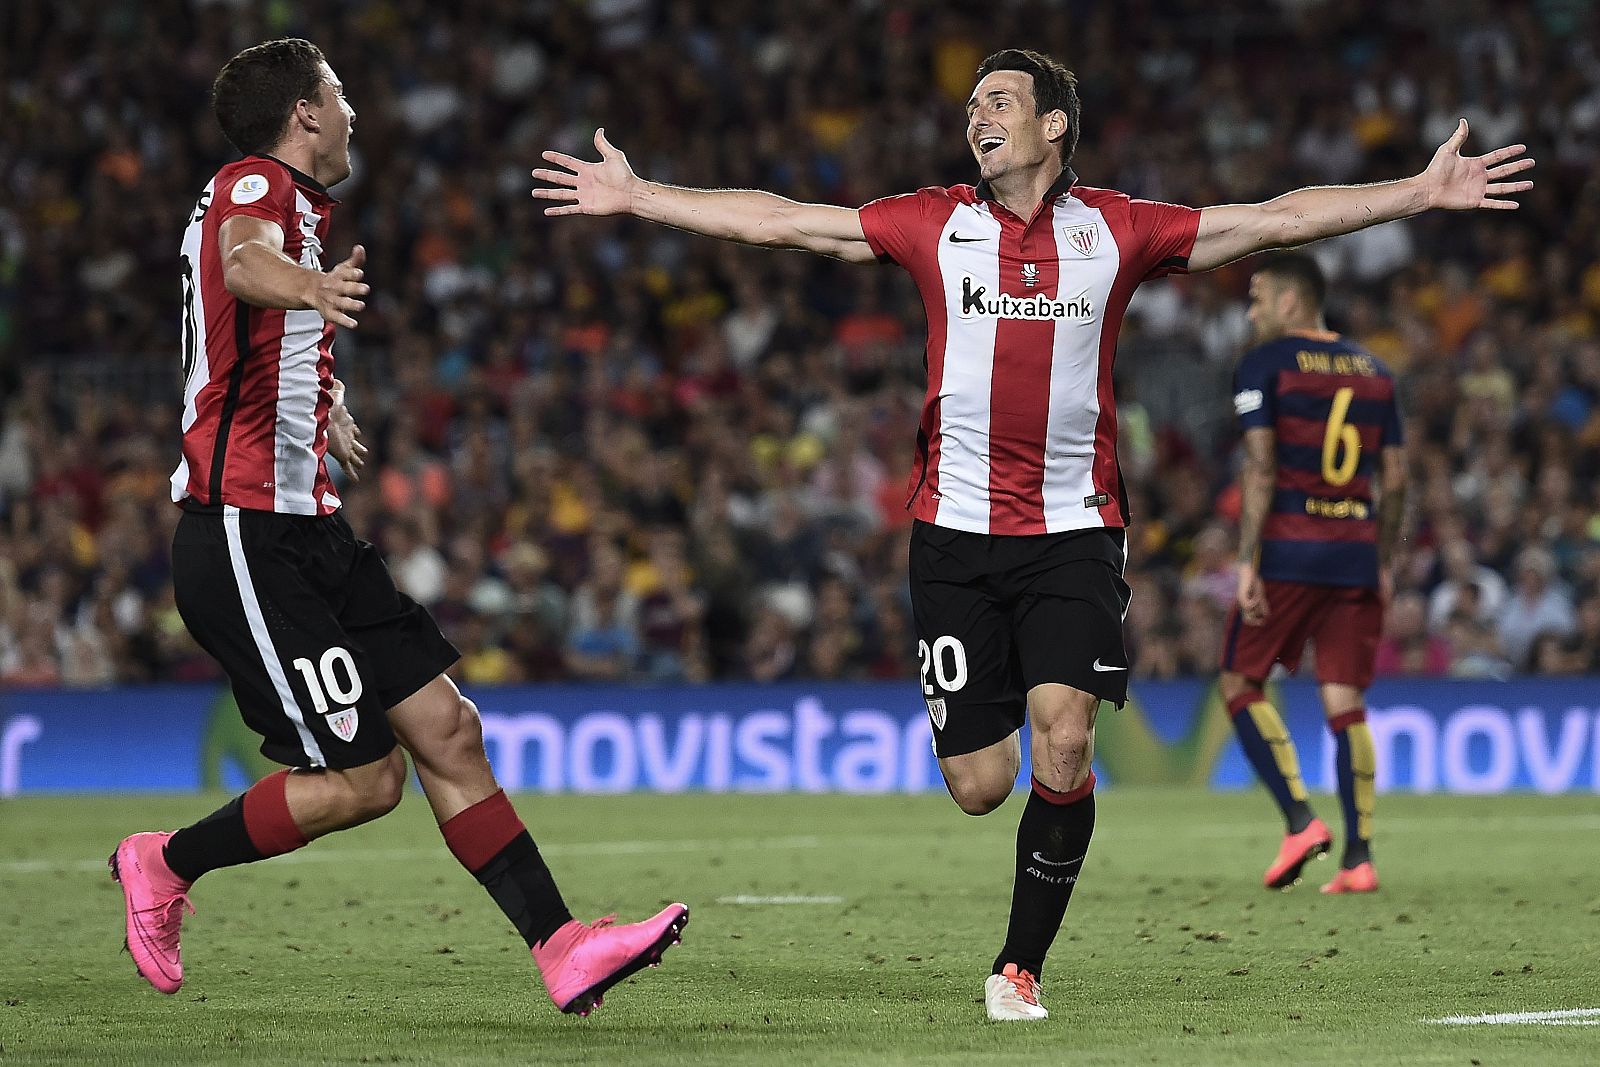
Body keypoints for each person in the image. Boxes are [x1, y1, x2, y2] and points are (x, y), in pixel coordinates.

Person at [533, 48, 1531, 1021]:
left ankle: (1019, 964)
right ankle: (1035, 799)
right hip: (952, 537)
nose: (978, 114)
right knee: (981, 784)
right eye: (973, 103)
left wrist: (1416, 192)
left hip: (1073, 531)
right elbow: (790, 223)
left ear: (1054, 124)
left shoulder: (1118, 229)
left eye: (1000, 100)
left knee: (1063, 738)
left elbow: (1273, 219)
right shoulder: (933, 222)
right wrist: (643, 196)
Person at [111, 38, 686, 1016]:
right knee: (366, 779)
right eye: (338, 95)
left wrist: (323, 400)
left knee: (449, 728)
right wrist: (309, 287)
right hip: (244, 535)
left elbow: (249, 333)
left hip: (310, 530)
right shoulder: (256, 185)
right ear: (303, 113)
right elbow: (242, 265)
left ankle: (563, 946)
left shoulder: (295, 205)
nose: (353, 114)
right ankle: (163, 861)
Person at [1217, 253, 1407, 895]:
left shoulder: (1264, 364)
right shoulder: (1376, 371)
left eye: (1257, 298)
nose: (1251, 312)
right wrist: (1384, 561)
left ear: (1290, 300)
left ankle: (1300, 821)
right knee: (1345, 701)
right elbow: (1396, 478)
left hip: (1290, 551)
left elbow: (1262, 465)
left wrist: (1248, 560)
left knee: (1239, 680)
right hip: (1355, 552)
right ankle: (1360, 858)